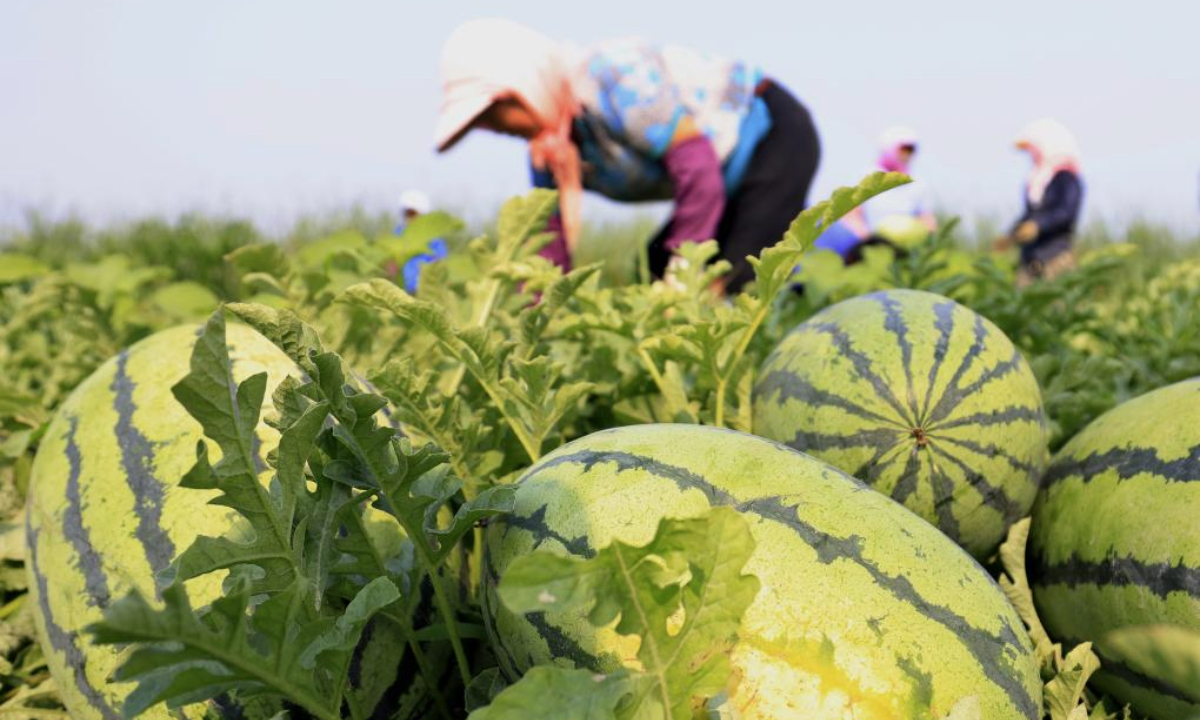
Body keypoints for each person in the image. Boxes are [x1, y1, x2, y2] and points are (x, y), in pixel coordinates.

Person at [434, 18, 821, 293]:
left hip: (772, 136)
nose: (496, 128)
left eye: (495, 112)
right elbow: (548, 250)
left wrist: (682, 277)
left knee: (736, 281)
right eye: (482, 122)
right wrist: (542, 315)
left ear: (523, 85)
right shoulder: (551, 151)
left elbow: (698, 173)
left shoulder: (612, 78)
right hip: (720, 181)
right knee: (648, 271)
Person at [814, 126, 935, 264]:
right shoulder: (868, 176)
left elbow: (928, 220)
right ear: (889, 146)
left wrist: (922, 242)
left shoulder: (918, 184)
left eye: (911, 150)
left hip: (902, 253)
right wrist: (869, 240)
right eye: (903, 148)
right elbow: (851, 214)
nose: (907, 154)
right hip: (864, 248)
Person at [994, 118, 1083, 286]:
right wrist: (1010, 236)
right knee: (1023, 306)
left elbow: (1066, 212)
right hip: (1030, 257)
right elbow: (1028, 215)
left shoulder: (1066, 178)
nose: (1031, 156)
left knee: (1058, 305)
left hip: (1055, 255)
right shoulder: (1037, 181)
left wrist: (1038, 225)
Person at [394, 189, 448, 294]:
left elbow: (441, 263)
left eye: (413, 214)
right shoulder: (398, 235)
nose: (410, 218)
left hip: (425, 292)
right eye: (407, 214)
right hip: (401, 291)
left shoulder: (433, 239)